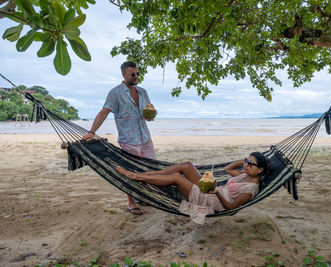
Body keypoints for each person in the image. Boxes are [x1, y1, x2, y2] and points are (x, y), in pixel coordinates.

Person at [82, 61, 156, 216]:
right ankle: (131, 202)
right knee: (130, 171)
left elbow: (148, 109)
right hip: (129, 139)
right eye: (132, 74)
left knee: (150, 169)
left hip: (145, 137)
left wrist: (150, 116)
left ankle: (143, 196)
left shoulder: (142, 92)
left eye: (137, 73)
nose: (136, 77)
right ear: (124, 75)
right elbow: (104, 112)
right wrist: (92, 132)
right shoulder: (115, 93)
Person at [116, 152, 271, 224]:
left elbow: (231, 207)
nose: (246, 165)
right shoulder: (244, 174)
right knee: (187, 166)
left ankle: (138, 177)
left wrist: (217, 193)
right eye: (246, 161)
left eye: (250, 164)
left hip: (212, 200)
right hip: (210, 190)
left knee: (177, 178)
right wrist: (245, 161)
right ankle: (149, 175)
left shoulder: (251, 189)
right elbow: (228, 169)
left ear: (260, 170)